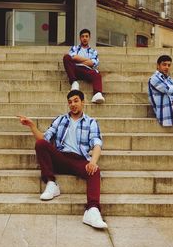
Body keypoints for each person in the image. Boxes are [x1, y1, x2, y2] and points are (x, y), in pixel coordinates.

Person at [18, 90, 107, 229]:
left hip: (79, 160)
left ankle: (92, 210)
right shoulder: (60, 119)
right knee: (40, 144)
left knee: (95, 171)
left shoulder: (91, 122)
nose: (73, 104)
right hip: (60, 157)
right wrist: (32, 126)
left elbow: (97, 144)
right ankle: (51, 183)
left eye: (76, 101)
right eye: (70, 102)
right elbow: (44, 139)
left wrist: (93, 162)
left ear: (83, 102)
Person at [63, 29, 105, 104]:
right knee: (66, 57)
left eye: (86, 36)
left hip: (87, 71)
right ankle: (74, 83)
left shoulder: (93, 51)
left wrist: (79, 60)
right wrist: (87, 60)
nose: (84, 38)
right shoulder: (75, 48)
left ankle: (97, 94)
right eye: (82, 36)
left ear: (89, 38)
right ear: (80, 38)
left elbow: (93, 63)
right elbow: (73, 57)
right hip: (75, 70)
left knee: (97, 75)